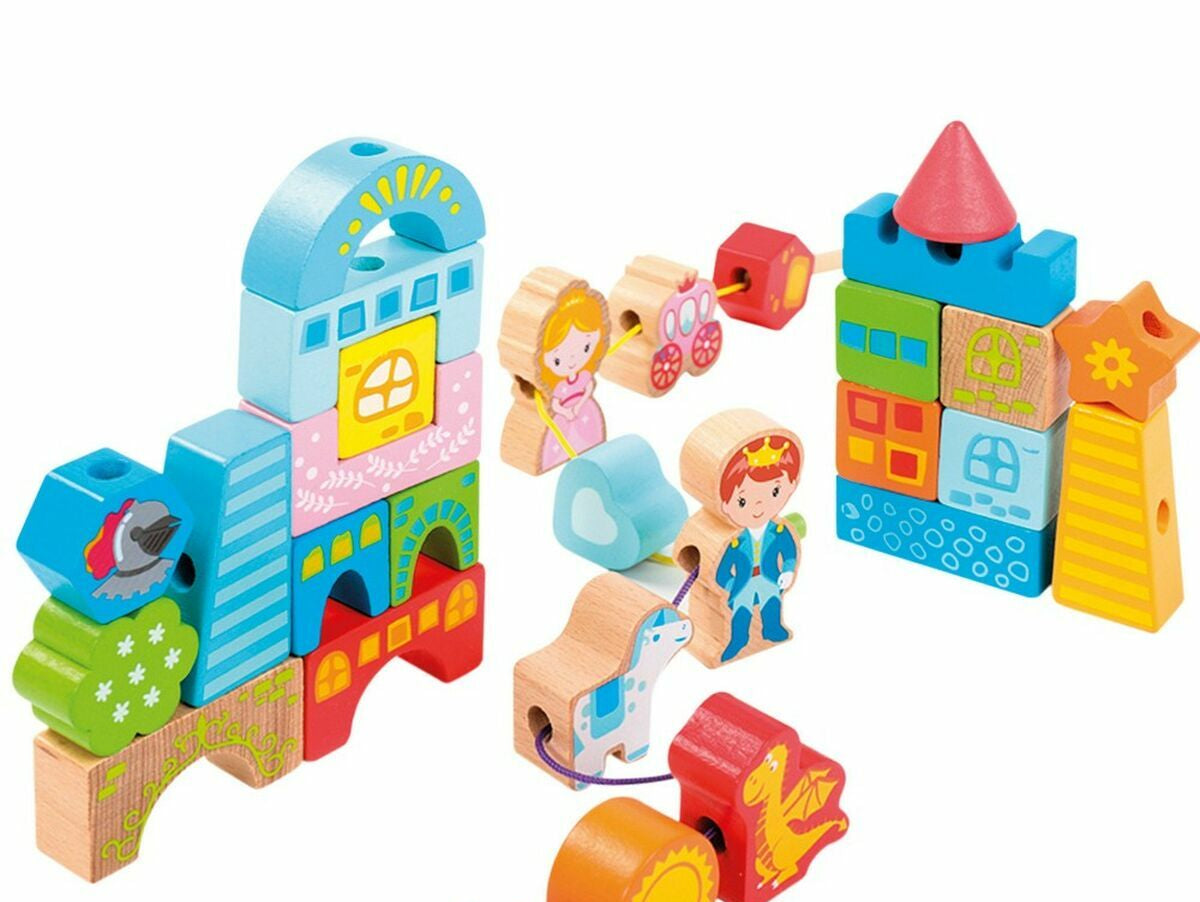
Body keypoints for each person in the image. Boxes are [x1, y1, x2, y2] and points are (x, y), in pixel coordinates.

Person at [713, 435, 801, 661]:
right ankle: (738, 640)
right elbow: (721, 571)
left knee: (772, 603)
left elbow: (789, 553)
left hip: (769, 577)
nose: (759, 506)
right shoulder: (733, 541)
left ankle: (772, 629)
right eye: (742, 501)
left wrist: (788, 571)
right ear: (725, 504)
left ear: (791, 486)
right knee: (741, 612)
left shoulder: (779, 531)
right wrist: (731, 585)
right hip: (743, 583)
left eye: (774, 492)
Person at [539, 286, 608, 469]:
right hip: (564, 416)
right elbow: (554, 404)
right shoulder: (559, 387)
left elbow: (588, 387)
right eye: (558, 359)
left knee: (589, 437)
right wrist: (565, 412)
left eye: (586, 348)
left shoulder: (584, 375)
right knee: (561, 444)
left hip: (584, 409)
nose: (571, 361)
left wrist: (580, 403)